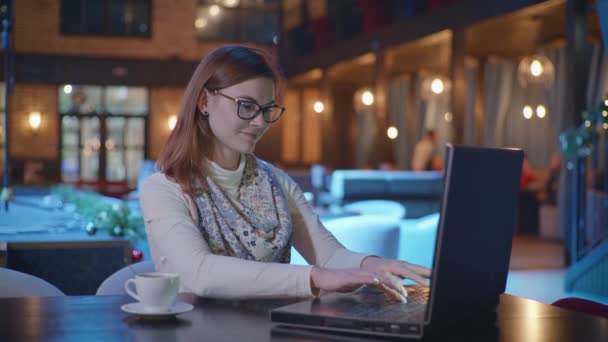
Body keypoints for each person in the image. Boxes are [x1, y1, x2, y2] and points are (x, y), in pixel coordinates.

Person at [140, 45, 430, 302]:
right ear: (204, 102)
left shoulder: (276, 182)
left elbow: (328, 254)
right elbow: (198, 273)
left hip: (273, 328)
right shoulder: (164, 188)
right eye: (246, 106)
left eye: (267, 110)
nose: (259, 122)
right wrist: (312, 277)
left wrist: (372, 265)